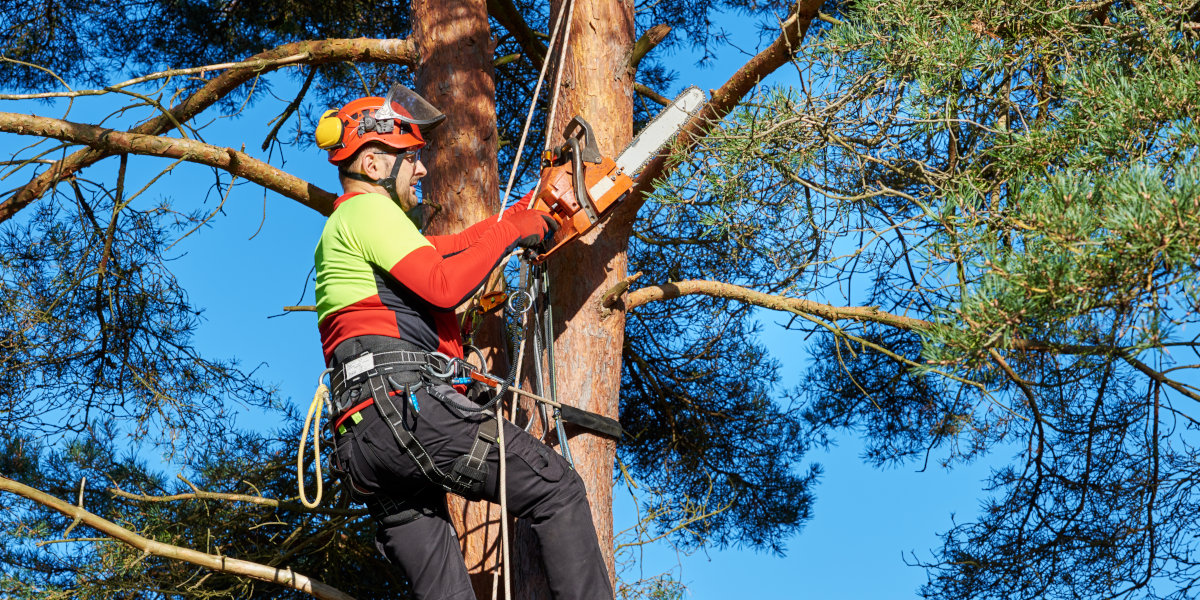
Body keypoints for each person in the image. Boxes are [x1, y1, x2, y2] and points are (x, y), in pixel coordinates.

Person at [312, 83, 613, 600]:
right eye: (411, 158)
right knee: (557, 489)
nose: (422, 170)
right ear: (376, 166)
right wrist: (510, 233)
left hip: (363, 442)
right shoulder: (367, 212)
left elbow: (448, 249)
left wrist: (520, 216)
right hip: (402, 408)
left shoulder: (347, 228)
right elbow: (445, 285)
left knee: (444, 590)